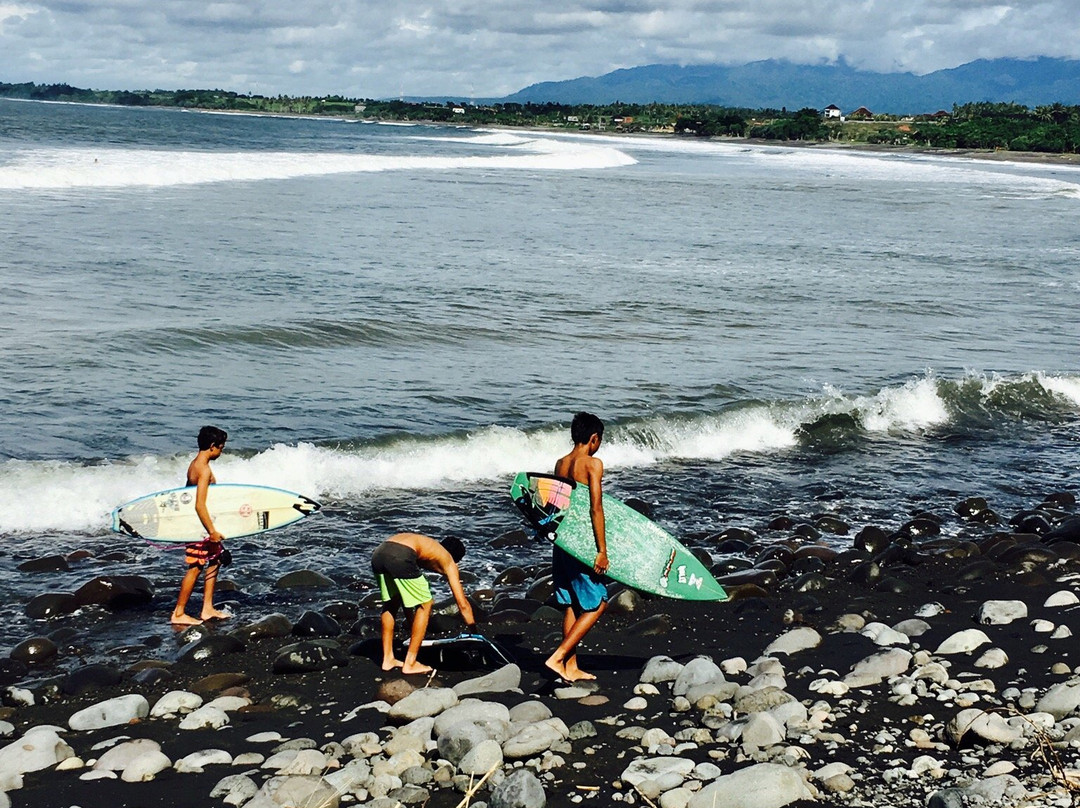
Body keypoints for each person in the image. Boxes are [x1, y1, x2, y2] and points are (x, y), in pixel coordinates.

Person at [547, 411, 609, 682]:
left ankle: (570, 668)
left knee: (571, 604)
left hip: (562, 541)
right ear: (593, 438)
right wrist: (602, 550)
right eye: (600, 440)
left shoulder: (560, 463)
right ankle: (558, 657)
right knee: (598, 603)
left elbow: (555, 505)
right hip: (582, 543)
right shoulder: (592, 464)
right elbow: (596, 507)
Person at [372, 532, 476, 674]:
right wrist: (475, 633)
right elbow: (462, 604)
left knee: (392, 602)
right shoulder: (448, 559)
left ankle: (388, 659)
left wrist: (412, 623)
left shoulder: (431, 546)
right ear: (456, 558)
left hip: (379, 553)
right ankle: (410, 664)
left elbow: (406, 598)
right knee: (426, 603)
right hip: (401, 554)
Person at [171, 425, 231, 625]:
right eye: (221, 448)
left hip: (205, 525)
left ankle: (207, 608)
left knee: (215, 560)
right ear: (212, 446)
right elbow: (199, 505)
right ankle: (178, 613)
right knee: (196, 566)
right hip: (199, 527)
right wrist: (212, 532)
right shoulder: (203, 470)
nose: (221, 452)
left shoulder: (195, 464)